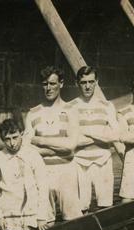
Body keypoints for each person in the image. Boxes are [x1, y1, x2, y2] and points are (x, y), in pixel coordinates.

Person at [23, 66, 83, 221]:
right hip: (42, 172)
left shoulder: (71, 110)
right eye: (45, 84)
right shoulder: (32, 113)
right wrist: (57, 148)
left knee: (73, 220)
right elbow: (26, 148)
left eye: (52, 83)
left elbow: (71, 145)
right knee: (44, 221)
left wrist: (39, 140)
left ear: (61, 84)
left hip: (67, 171)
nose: (48, 88)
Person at [0, 116, 53, 230]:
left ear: (21, 134)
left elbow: (43, 187)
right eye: (7, 139)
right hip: (11, 214)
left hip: (34, 212)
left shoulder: (33, 155)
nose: (12, 143)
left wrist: (41, 216)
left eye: (15, 137)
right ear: (2, 139)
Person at [69, 66, 119, 212]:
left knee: (105, 206)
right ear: (77, 83)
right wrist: (102, 136)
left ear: (96, 82)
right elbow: (70, 139)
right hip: (79, 161)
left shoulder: (107, 105)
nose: (88, 86)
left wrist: (89, 134)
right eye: (83, 82)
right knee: (81, 208)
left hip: (103, 161)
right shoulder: (70, 107)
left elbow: (116, 135)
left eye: (91, 81)